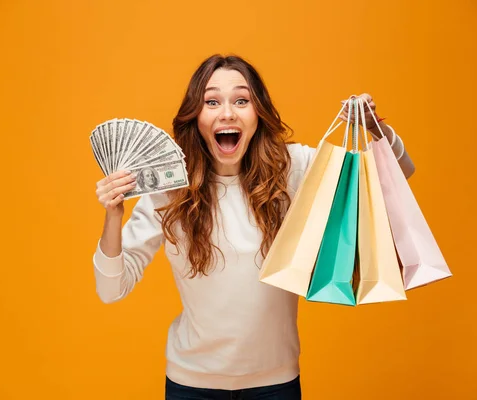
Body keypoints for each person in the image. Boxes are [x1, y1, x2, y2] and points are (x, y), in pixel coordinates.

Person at [92, 54, 415, 399]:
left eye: (241, 100)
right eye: (212, 101)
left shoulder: (292, 169)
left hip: (275, 385)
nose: (227, 113)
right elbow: (111, 290)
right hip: (191, 385)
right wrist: (113, 215)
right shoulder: (169, 188)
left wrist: (374, 127)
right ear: (196, 117)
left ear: (257, 114)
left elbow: (398, 174)